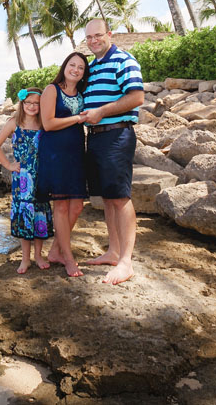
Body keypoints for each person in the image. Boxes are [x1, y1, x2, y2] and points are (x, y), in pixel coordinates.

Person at [81, 18, 144, 285]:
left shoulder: (123, 60)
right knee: (107, 198)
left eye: (98, 36)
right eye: (89, 38)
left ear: (109, 34)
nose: (93, 41)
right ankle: (113, 250)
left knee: (120, 197)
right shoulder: (92, 66)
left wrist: (101, 112)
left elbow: (136, 97)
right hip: (95, 138)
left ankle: (126, 262)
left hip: (117, 134)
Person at [36, 52, 90, 278]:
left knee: (77, 207)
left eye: (80, 67)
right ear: (64, 66)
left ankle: (56, 250)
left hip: (76, 153)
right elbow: (47, 124)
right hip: (55, 153)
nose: (76, 69)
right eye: (72, 65)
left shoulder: (82, 93)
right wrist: (78, 118)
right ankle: (68, 258)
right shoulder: (52, 90)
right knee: (61, 206)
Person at [0, 87, 54, 274]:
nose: (32, 106)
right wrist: (9, 165)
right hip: (23, 179)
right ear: (22, 104)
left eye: (36, 103)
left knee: (40, 215)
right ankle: (25, 259)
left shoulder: (44, 124)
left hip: (41, 175)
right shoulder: (14, 123)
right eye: (29, 102)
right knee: (25, 216)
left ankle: (39, 255)